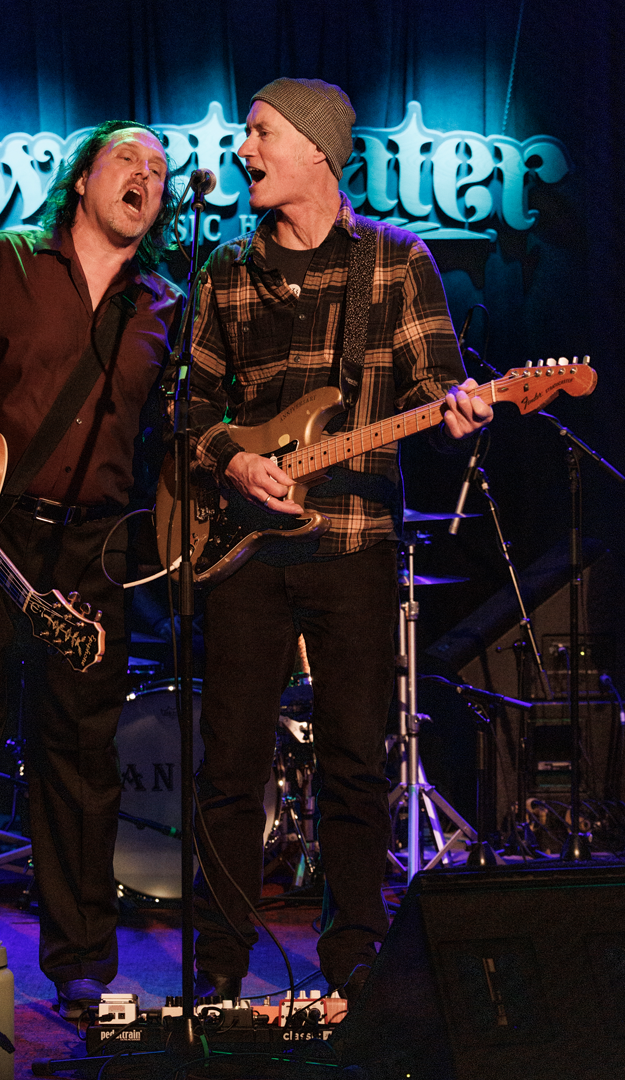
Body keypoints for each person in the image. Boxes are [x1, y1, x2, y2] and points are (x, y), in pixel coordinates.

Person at [174, 78, 493, 1006]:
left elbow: (437, 389)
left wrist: (463, 413)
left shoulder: (394, 261)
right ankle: (219, 961)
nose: (243, 149)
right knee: (228, 767)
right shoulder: (226, 268)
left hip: (354, 545)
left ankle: (354, 955)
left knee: (356, 763)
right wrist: (236, 462)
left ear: (317, 148)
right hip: (241, 553)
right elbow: (188, 409)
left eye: (260, 132)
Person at [0, 120, 181, 1019]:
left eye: (160, 169)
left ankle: (81, 966)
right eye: (128, 158)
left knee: (83, 759)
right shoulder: (1, 261)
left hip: (95, 549)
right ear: (84, 178)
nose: (147, 175)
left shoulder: (164, 305)